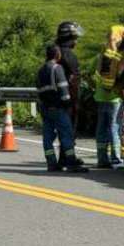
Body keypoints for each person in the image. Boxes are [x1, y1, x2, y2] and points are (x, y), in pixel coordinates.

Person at [37, 44, 89, 173]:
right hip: (58, 108)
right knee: (67, 135)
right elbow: (63, 89)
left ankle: (51, 163)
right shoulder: (57, 68)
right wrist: (68, 104)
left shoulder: (41, 70)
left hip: (45, 108)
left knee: (48, 137)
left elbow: (38, 91)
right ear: (56, 54)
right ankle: (71, 163)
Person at [94, 25, 124, 169]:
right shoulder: (120, 56)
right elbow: (122, 78)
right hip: (114, 99)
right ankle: (115, 159)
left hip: (100, 97)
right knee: (115, 128)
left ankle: (101, 158)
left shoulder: (103, 54)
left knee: (101, 128)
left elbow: (95, 75)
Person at [55, 21, 85, 166]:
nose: (76, 41)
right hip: (68, 99)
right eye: (75, 37)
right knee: (69, 130)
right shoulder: (68, 55)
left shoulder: (56, 52)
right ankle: (69, 159)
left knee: (63, 130)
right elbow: (74, 79)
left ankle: (63, 158)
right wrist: (75, 101)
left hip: (57, 98)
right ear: (69, 37)